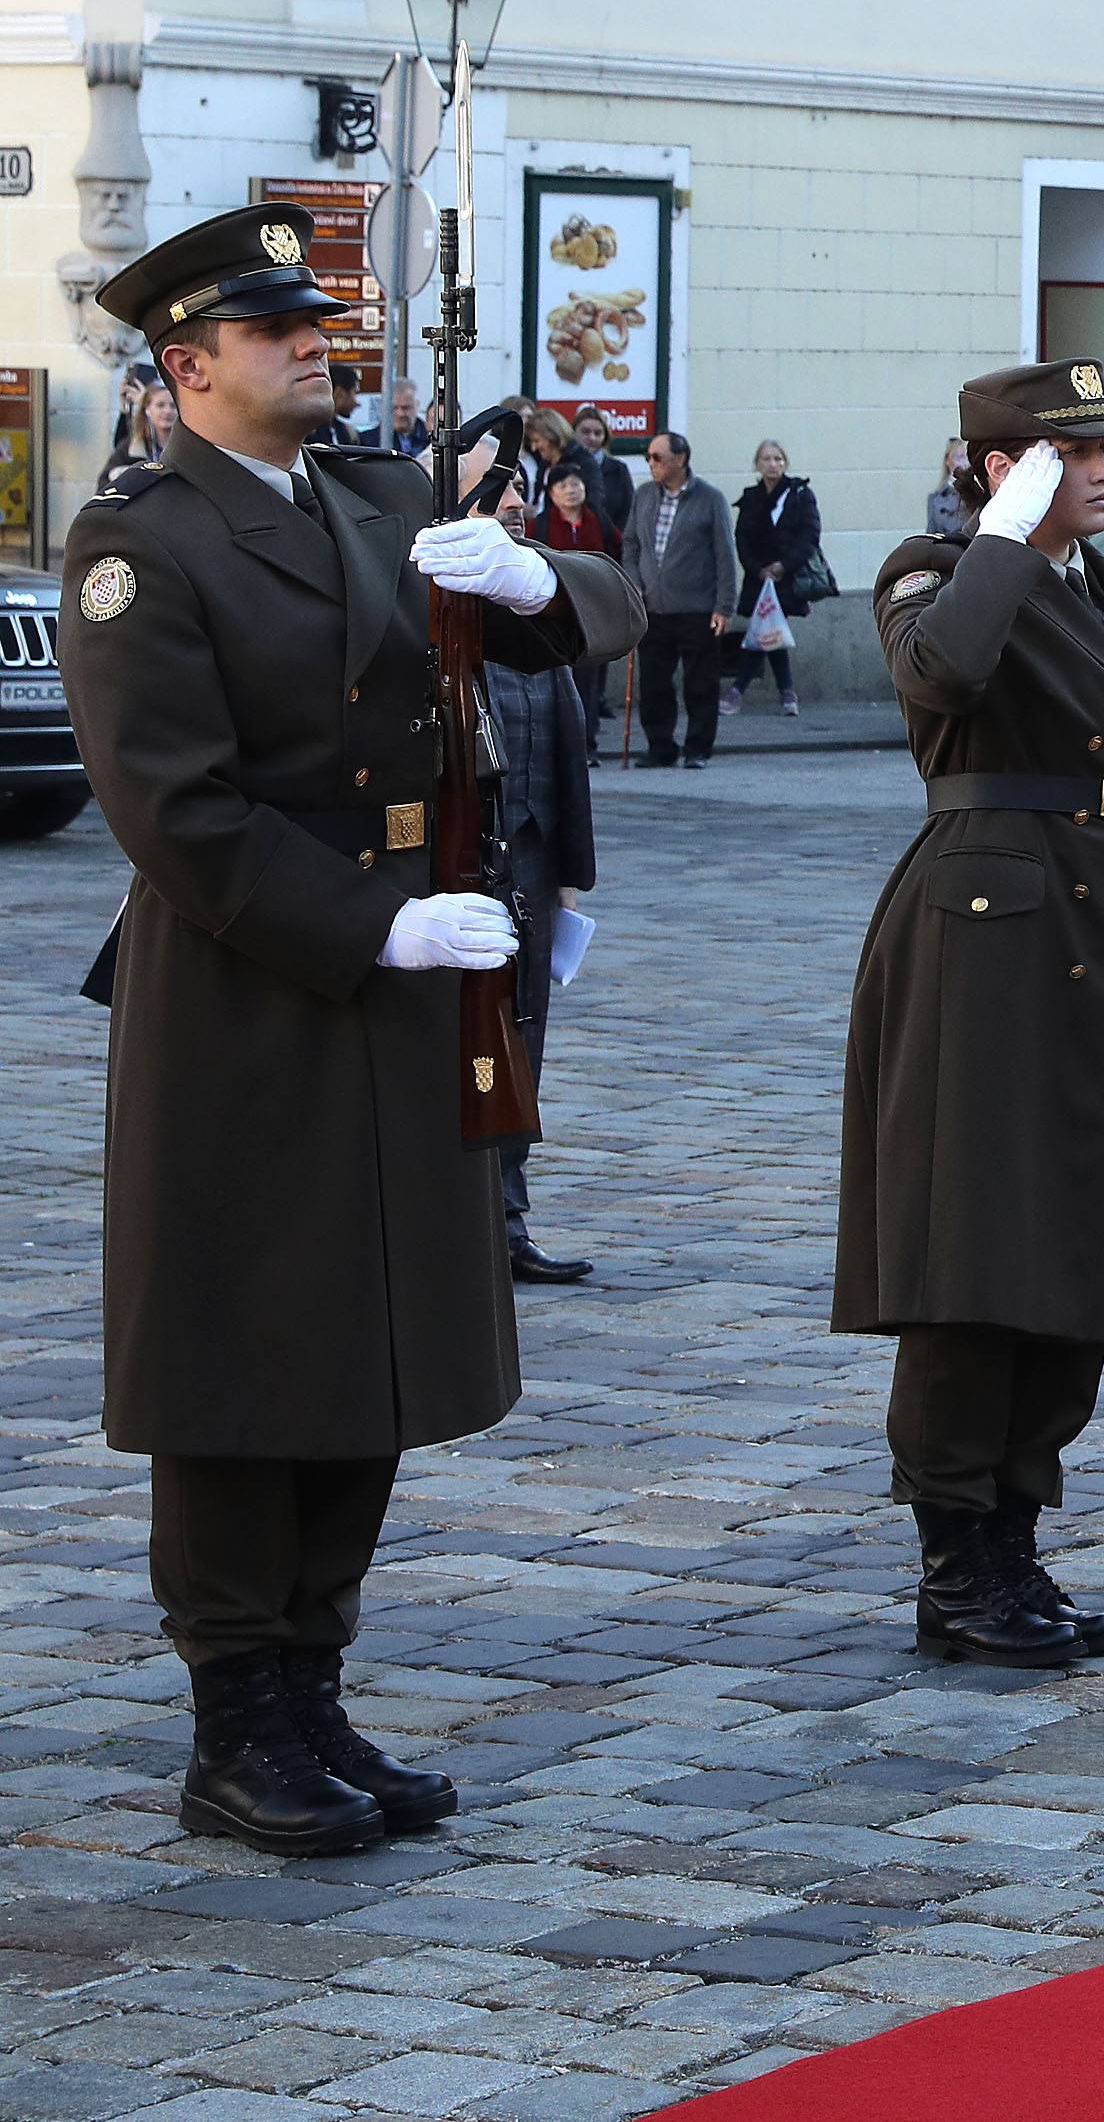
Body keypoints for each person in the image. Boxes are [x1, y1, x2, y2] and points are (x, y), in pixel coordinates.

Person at [58, 202, 644, 1860]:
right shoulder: (140, 546)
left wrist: (539, 578)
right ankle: (237, 1719)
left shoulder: (381, 493)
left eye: (315, 323)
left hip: (410, 978)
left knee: (374, 1336)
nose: (314, 344)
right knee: (249, 1351)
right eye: (273, 330)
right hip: (253, 990)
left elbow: (562, 620)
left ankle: (315, 1689)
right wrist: (369, 916)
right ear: (185, 367)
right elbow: (172, 808)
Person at [837, 358, 1104, 1667]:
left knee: (1072, 1253)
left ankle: (1020, 1532)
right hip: (977, 949)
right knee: (970, 1258)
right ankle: (957, 1557)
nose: (1103, 468)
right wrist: (1001, 534)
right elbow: (941, 680)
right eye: (1072, 451)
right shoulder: (934, 570)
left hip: (1098, 943)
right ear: (999, 463)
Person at [481, 459, 608, 1285]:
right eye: (503, 500)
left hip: (529, 867)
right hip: (458, 874)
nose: (523, 510)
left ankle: (509, 1223)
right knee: (468, 1051)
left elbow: (566, 754)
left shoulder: (539, 621)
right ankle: (459, 1224)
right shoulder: (428, 622)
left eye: (523, 496)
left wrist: (566, 877)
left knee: (522, 1049)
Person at [621, 430, 735, 769]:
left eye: (657, 457)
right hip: (653, 608)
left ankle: (698, 747)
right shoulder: (643, 495)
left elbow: (724, 555)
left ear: (680, 459)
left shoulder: (709, 499)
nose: (651, 464)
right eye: (649, 458)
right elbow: (630, 544)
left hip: (697, 608)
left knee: (700, 683)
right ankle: (660, 746)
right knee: (654, 683)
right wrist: (633, 582)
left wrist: (724, 605)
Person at [721, 439, 821, 718]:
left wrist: (783, 566)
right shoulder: (751, 497)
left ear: (785, 463)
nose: (772, 464)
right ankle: (787, 693)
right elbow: (741, 539)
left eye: (777, 459)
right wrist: (756, 568)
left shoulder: (799, 494)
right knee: (769, 631)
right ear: (757, 464)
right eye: (766, 459)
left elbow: (809, 535)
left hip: (786, 578)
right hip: (759, 578)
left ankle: (738, 691)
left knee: (766, 630)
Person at [537, 454, 615, 760]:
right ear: (552, 493)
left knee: (588, 684)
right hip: (554, 614)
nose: (571, 490)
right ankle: (557, 746)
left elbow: (617, 553)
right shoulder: (540, 525)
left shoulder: (599, 521)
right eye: (563, 485)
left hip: (593, 613)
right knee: (555, 684)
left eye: (576, 484)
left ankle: (587, 745)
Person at [98, 377, 176, 493]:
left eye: (173, 406)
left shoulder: (188, 447)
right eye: (160, 405)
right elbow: (104, 485)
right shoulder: (130, 448)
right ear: (147, 409)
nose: (167, 411)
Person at [571, 404, 634, 544]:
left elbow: (628, 511)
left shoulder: (619, 469)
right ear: (574, 433)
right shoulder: (565, 467)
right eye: (585, 432)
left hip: (611, 545)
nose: (591, 438)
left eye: (598, 433)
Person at [360, 375, 430, 456]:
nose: (401, 414)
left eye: (406, 408)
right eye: (394, 408)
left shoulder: (430, 439)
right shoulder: (368, 442)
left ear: (417, 406)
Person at [522, 406, 574, 512]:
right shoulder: (544, 466)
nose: (534, 447)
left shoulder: (579, 464)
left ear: (551, 435)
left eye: (537, 441)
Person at [308, 363, 363, 448]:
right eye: (354, 393)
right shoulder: (308, 433)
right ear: (339, 393)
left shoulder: (346, 432)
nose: (357, 403)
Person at [926, 437, 968, 539]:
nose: (963, 463)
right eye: (958, 457)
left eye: (966, 457)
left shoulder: (976, 494)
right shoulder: (935, 499)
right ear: (948, 461)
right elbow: (931, 534)